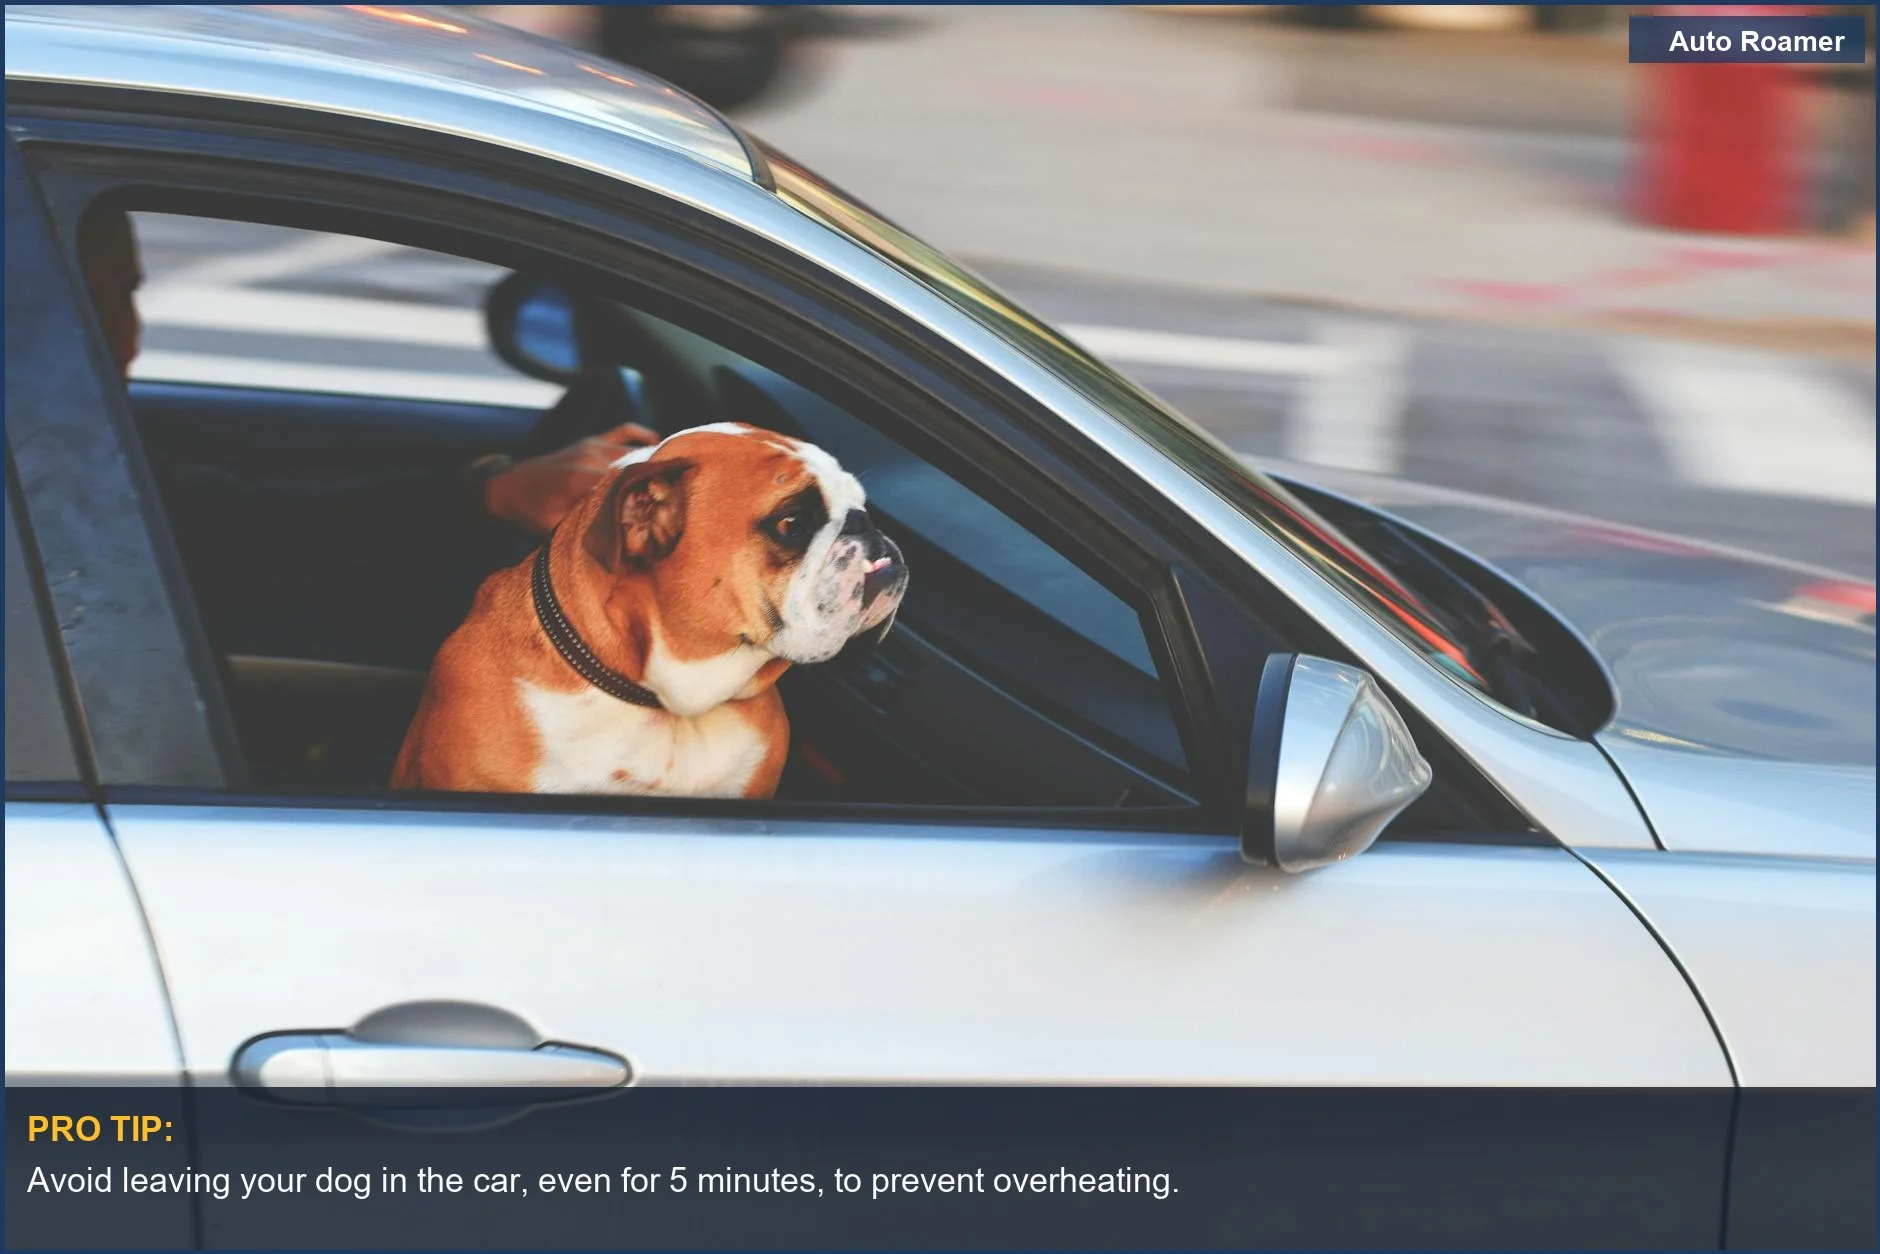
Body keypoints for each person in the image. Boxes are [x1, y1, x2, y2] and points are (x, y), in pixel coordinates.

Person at [77, 205, 661, 668]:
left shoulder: (72, 453)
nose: (125, 339)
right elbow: (238, 537)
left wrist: (488, 489)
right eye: (80, 301)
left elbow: (221, 517)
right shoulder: (52, 469)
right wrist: (491, 494)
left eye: (127, 296)